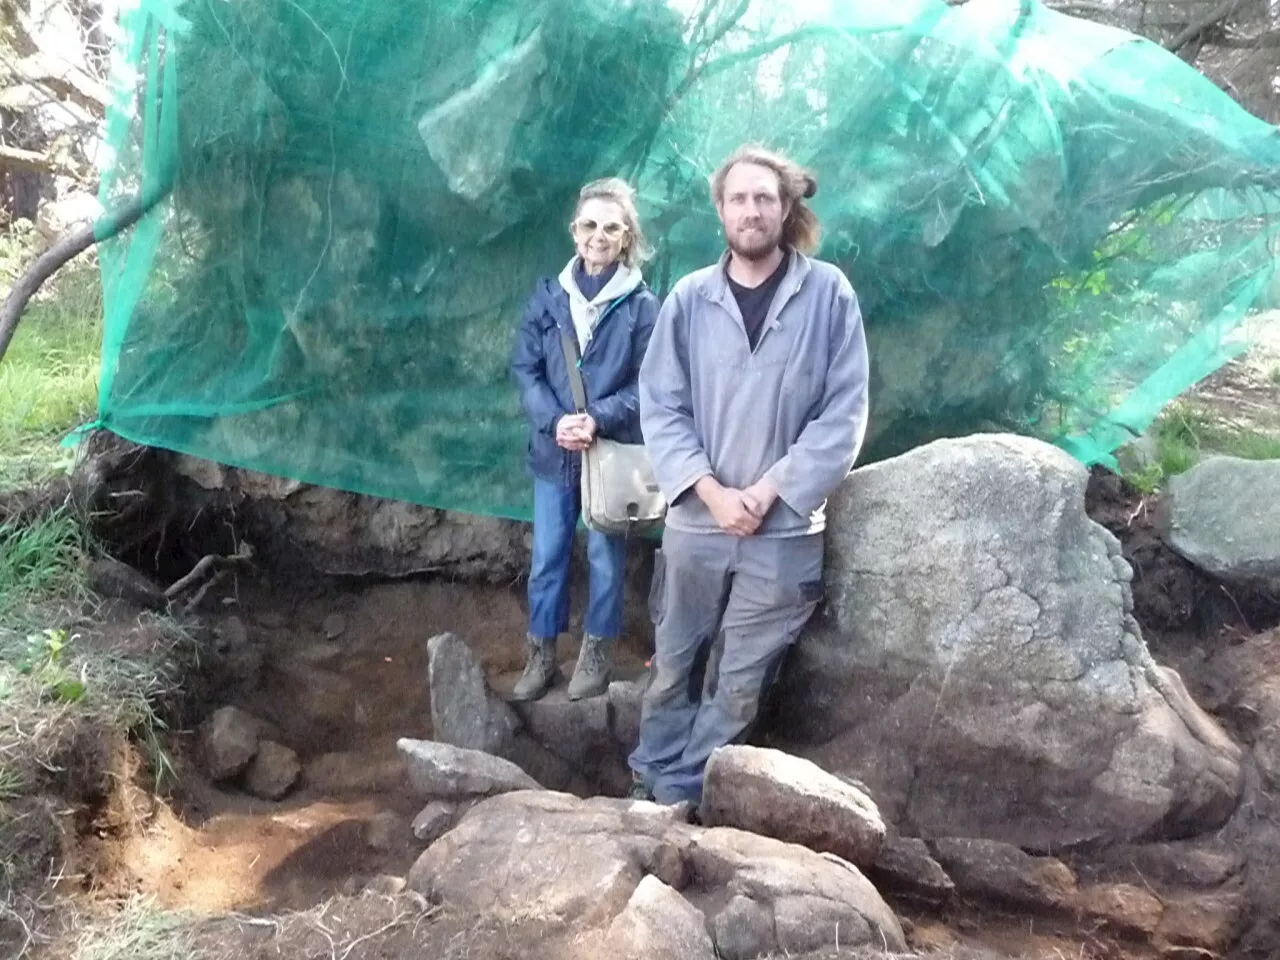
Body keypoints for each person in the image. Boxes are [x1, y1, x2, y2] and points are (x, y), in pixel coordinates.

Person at [628, 145, 870, 804]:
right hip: (696, 524)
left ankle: (681, 798)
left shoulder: (827, 295)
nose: (752, 210)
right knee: (674, 664)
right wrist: (710, 490)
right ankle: (647, 782)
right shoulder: (688, 299)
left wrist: (766, 492)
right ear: (721, 210)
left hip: (782, 531)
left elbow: (842, 415)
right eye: (739, 198)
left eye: (765, 197)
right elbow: (663, 405)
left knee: (739, 679)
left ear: (786, 207)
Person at [509, 178, 659, 701]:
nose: (599, 236)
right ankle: (541, 653)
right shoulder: (547, 299)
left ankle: (596, 653)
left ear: (626, 238)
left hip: (609, 455)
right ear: (574, 231)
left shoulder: (642, 308)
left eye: (611, 227)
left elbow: (651, 385)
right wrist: (555, 422)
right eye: (590, 225)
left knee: (604, 556)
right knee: (547, 554)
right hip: (554, 455)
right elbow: (525, 369)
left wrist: (596, 418)